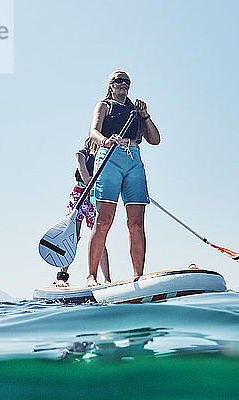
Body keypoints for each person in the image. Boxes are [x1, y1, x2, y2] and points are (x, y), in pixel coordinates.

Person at [86, 70, 161, 286]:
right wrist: (106, 141)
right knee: (104, 220)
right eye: (118, 80)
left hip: (133, 158)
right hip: (110, 156)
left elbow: (155, 140)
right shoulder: (104, 106)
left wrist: (145, 115)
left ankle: (138, 276)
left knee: (136, 222)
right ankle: (92, 276)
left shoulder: (135, 110)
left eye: (126, 81)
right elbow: (93, 132)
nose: (122, 84)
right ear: (110, 85)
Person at [56, 138, 110, 287]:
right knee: (73, 235)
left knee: (99, 235)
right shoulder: (84, 154)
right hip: (79, 195)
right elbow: (79, 160)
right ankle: (61, 276)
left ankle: (106, 279)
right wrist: (87, 179)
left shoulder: (105, 158)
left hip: (92, 197)